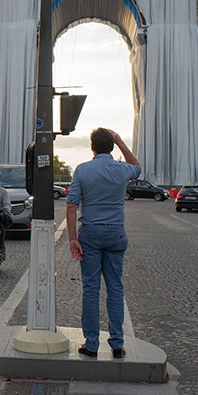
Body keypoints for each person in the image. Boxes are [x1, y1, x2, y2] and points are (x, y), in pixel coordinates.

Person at [66, 128, 141, 359]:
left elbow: (71, 205)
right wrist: (119, 140)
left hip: (90, 234)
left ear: (92, 147)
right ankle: (117, 345)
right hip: (115, 233)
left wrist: (72, 238)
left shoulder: (82, 170)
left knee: (91, 289)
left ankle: (91, 344)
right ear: (111, 146)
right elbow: (137, 167)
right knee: (116, 288)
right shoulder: (121, 170)